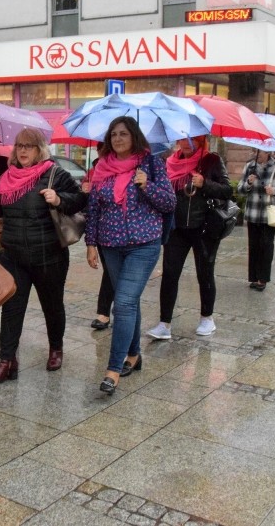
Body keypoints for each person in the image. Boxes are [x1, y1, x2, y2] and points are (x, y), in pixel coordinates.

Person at [0, 128, 87, 383]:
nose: (23, 151)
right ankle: (7, 361)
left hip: (49, 255)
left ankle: (56, 348)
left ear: (39, 149)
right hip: (14, 255)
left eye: (29, 146)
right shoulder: (7, 177)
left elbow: (80, 200)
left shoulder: (54, 173)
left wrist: (58, 199)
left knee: (52, 305)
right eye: (19, 146)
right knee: (12, 309)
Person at [84, 116, 176, 395]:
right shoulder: (102, 167)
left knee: (122, 303)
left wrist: (147, 185)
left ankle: (113, 369)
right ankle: (134, 355)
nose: (118, 139)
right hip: (110, 244)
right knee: (129, 302)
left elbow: (169, 202)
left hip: (144, 243)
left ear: (134, 136)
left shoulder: (151, 163)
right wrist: (91, 243)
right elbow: (94, 208)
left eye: (124, 133)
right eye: (113, 135)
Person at [147, 134, 232, 339]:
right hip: (176, 228)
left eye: (190, 139)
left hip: (204, 227)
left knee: (204, 272)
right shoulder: (170, 162)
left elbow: (227, 191)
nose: (185, 143)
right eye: (182, 139)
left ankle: (207, 318)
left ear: (200, 140)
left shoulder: (210, 160)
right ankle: (164, 323)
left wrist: (205, 184)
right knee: (169, 274)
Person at [237, 150, 275, 291]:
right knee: (254, 246)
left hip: (269, 215)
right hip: (253, 213)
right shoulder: (249, 166)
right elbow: (240, 189)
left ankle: (263, 279)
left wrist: (274, 191)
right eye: (255, 150)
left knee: (266, 245)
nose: (257, 153)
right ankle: (254, 277)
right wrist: (248, 183)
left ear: (267, 152)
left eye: (260, 151)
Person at [81, 167, 112, 331]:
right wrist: (84, 192)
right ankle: (104, 312)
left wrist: (146, 186)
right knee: (110, 271)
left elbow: (166, 202)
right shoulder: (96, 171)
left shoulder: (140, 167)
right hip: (104, 232)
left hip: (136, 238)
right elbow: (90, 210)